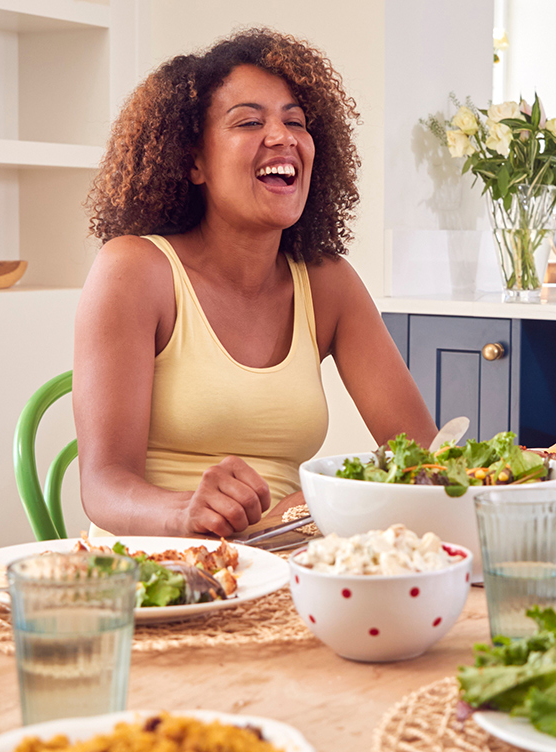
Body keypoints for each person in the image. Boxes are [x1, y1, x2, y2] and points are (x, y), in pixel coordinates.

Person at [76, 29, 434, 539]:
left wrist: (321, 496)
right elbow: (103, 484)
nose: (283, 136)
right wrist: (184, 512)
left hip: (286, 560)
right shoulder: (136, 269)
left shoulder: (329, 283)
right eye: (249, 121)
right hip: (157, 568)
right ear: (193, 161)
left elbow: (421, 453)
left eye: (296, 122)